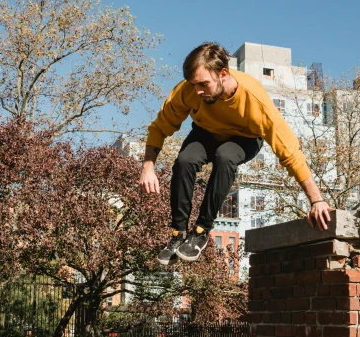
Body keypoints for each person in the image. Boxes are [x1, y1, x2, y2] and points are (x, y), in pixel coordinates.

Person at [140, 42, 332, 265]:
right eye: (193, 85)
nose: (198, 92)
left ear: (223, 73)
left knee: (225, 156)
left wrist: (316, 200)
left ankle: (201, 231)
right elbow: (159, 127)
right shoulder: (188, 91)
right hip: (206, 132)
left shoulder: (255, 101)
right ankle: (178, 233)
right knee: (185, 160)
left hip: (245, 138)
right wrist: (148, 166)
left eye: (203, 84)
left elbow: (290, 152)